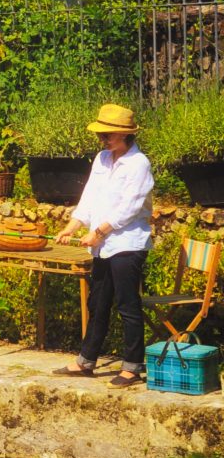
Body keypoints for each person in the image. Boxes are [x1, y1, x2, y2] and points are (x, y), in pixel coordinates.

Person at [51, 103, 154, 388]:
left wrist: (98, 231)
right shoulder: (102, 159)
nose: (103, 139)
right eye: (101, 135)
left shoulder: (138, 164)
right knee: (97, 302)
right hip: (102, 245)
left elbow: (129, 208)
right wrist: (72, 226)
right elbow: (90, 197)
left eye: (107, 135)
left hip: (127, 244)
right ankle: (86, 360)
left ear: (125, 135)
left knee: (127, 304)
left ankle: (132, 367)